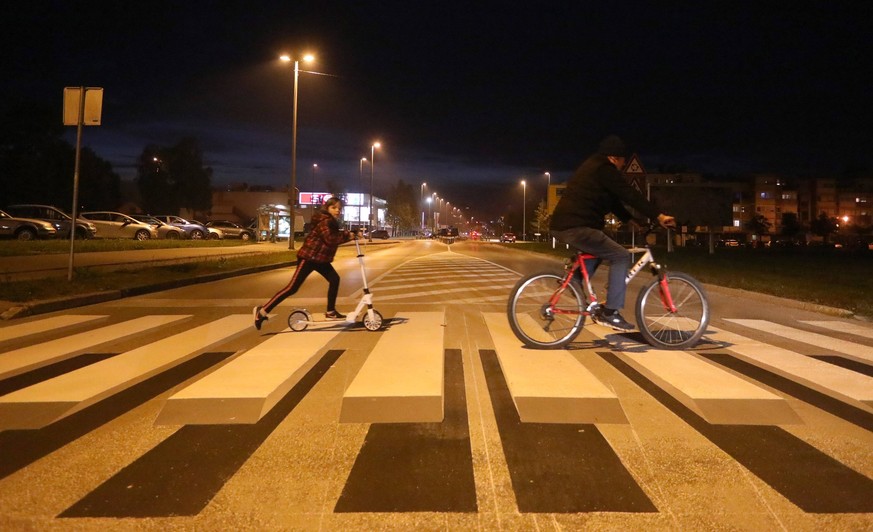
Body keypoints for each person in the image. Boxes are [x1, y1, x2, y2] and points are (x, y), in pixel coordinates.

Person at [549, 135, 676, 331]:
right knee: (621, 255)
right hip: (576, 226)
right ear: (615, 158)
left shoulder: (594, 167)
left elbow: (613, 202)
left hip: (568, 224)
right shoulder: (604, 169)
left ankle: (575, 280)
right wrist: (658, 215)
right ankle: (610, 312)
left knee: (601, 248)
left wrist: (630, 220)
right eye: (623, 160)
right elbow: (629, 194)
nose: (623, 164)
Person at [253, 196, 357, 330]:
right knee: (292, 288)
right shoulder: (324, 220)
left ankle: (331, 312)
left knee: (334, 279)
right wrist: (349, 236)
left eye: (339, 208)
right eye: (334, 207)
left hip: (320, 259)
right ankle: (261, 312)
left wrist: (351, 233)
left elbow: (335, 235)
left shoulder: (330, 221)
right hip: (308, 258)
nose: (337, 210)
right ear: (327, 208)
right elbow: (330, 239)